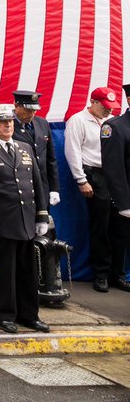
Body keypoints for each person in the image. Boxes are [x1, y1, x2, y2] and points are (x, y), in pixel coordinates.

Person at [0, 103, 50, 333]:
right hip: (2, 224)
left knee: (28, 273)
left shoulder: (25, 147)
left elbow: (37, 183)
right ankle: (4, 314)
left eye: (9, 121)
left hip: (26, 222)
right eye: (1, 121)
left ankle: (29, 315)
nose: (7, 125)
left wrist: (41, 216)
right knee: (3, 273)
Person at [65, 87, 119, 292]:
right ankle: (101, 273)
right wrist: (81, 179)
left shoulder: (112, 121)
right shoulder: (78, 120)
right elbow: (73, 151)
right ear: (93, 102)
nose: (108, 111)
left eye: (111, 108)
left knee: (119, 224)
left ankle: (118, 272)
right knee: (101, 226)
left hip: (115, 175)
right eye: (105, 107)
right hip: (94, 174)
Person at [99, 84, 130, 292]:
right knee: (118, 239)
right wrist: (124, 203)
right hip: (127, 198)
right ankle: (113, 275)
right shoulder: (115, 126)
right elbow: (113, 168)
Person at [12, 90, 61, 207]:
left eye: (34, 110)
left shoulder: (42, 123)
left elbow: (50, 159)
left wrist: (54, 188)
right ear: (16, 105)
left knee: (44, 224)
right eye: (28, 110)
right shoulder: (7, 125)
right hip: (21, 189)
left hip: (42, 188)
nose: (31, 114)